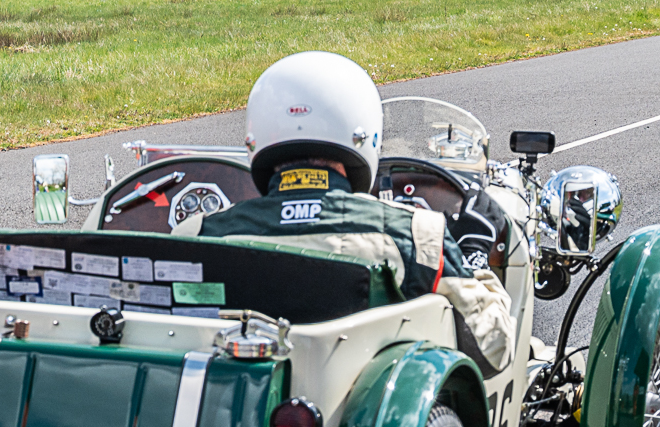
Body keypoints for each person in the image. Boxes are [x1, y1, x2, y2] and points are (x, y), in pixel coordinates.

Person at [191, 51, 515, 366]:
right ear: (364, 132)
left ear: (255, 136)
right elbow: (492, 347)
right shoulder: (418, 233)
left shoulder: (197, 234)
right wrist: (473, 252)